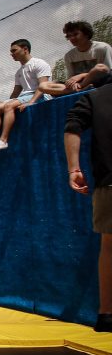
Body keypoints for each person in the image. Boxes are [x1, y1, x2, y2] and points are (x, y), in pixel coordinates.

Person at [64, 85, 112, 332]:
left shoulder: (96, 96)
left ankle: (106, 312)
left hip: (108, 180)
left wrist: (74, 168)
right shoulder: (97, 96)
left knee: (109, 245)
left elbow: (72, 126)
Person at [0, 39, 52, 154]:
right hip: (25, 96)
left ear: (25, 49)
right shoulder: (19, 72)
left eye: (14, 50)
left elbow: (43, 86)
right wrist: (4, 103)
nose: (11, 54)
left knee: (9, 106)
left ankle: (3, 140)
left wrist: (32, 102)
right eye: (11, 51)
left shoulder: (39, 63)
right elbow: (16, 92)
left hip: (39, 95)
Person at [39, 20, 112, 96]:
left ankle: (80, 88)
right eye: (69, 36)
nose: (72, 38)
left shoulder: (103, 48)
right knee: (43, 86)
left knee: (98, 68)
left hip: (98, 82)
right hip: (76, 85)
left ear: (86, 34)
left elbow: (107, 71)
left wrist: (82, 75)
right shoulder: (69, 56)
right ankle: (76, 90)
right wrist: (74, 84)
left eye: (75, 34)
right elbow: (72, 78)